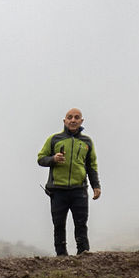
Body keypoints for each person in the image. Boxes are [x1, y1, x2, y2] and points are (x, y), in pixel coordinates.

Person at [37, 108, 101, 255]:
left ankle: (83, 254)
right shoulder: (54, 139)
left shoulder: (87, 142)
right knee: (59, 225)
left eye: (77, 117)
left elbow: (92, 166)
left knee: (81, 224)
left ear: (81, 121)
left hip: (80, 189)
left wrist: (96, 186)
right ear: (64, 121)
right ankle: (61, 256)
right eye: (70, 117)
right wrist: (53, 159)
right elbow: (41, 158)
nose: (73, 120)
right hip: (57, 190)